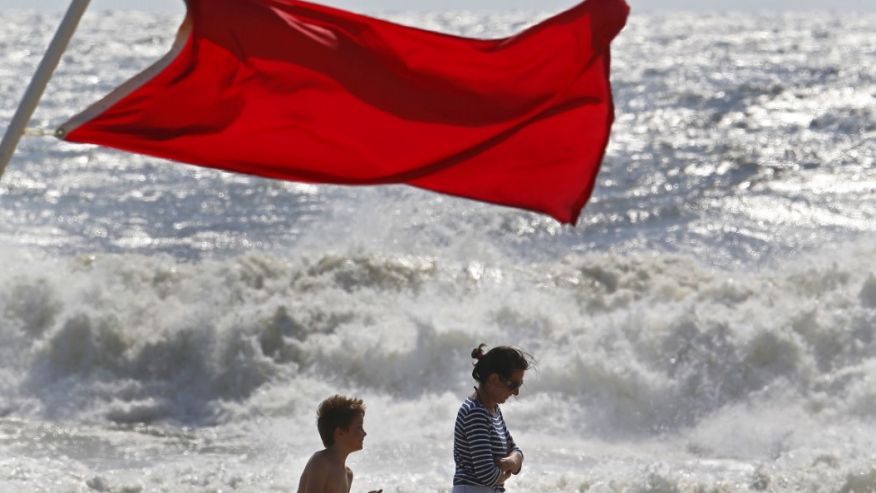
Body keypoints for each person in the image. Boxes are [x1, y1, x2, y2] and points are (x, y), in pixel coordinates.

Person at [453, 344, 532, 493]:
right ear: (494, 379)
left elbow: (514, 449)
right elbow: (487, 474)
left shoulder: (493, 411)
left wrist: (512, 460)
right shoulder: (475, 413)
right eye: (513, 384)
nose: (516, 392)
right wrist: (507, 472)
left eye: (519, 384)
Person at [297, 395, 382, 493]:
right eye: (359, 427)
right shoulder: (320, 462)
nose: (364, 433)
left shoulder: (348, 474)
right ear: (340, 433)